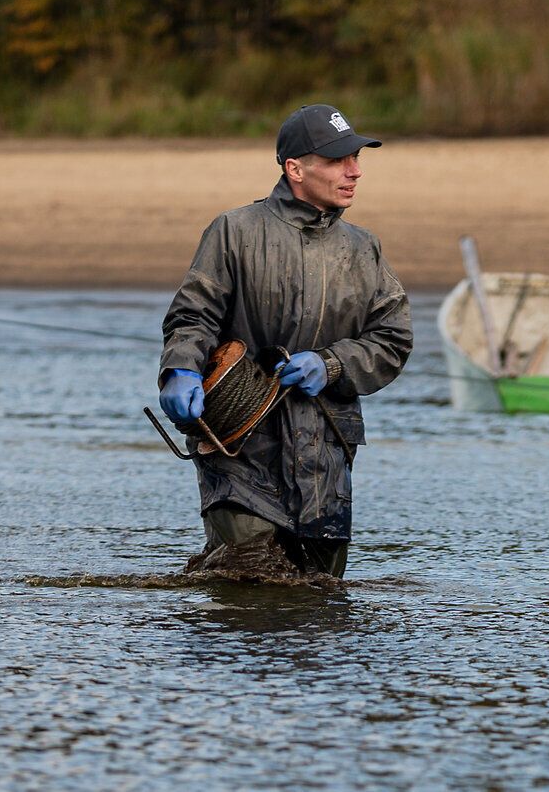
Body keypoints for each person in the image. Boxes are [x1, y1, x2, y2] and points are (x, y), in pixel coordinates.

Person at [156, 104, 412, 579]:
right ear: (295, 168)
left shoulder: (364, 247)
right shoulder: (234, 231)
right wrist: (180, 369)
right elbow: (193, 315)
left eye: (356, 158)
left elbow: (392, 339)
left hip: (326, 459)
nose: (354, 171)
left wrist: (332, 364)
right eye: (338, 160)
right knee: (247, 587)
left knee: (320, 604)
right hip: (239, 448)